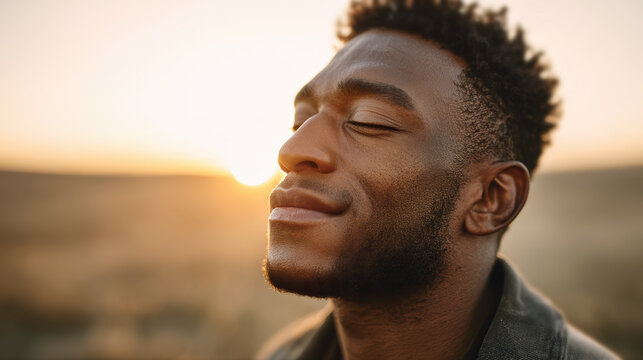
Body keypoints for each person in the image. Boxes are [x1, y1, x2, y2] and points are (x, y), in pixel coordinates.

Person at [259, 0, 618, 359]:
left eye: (369, 121)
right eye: (300, 121)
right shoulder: (281, 354)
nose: (291, 150)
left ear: (491, 198)